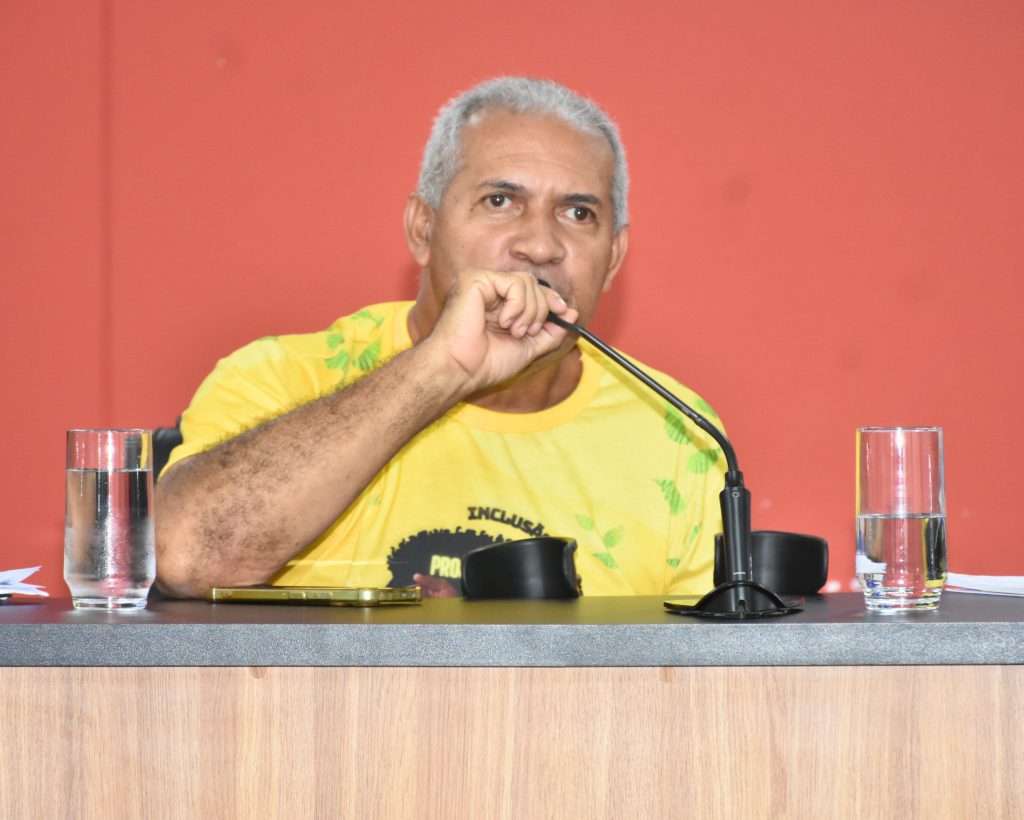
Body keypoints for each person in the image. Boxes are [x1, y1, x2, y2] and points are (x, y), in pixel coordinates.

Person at [156, 77, 726, 599]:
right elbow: (184, 560)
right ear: (422, 229)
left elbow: (709, 666)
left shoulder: (681, 433)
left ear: (614, 257)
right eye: (500, 202)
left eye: (578, 213)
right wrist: (443, 368)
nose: (540, 245)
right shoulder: (280, 379)